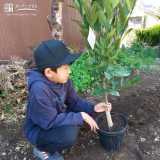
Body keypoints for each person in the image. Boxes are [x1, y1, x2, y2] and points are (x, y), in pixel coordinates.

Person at [24, 40, 112, 160]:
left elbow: (73, 101)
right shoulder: (39, 90)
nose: (69, 71)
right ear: (49, 72)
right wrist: (80, 116)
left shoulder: (64, 81)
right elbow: (49, 121)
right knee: (69, 135)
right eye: (65, 68)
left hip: (54, 118)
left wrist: (93, 108)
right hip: (39, 129)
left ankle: (51, 140)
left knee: (73, 122)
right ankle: (42, 149)